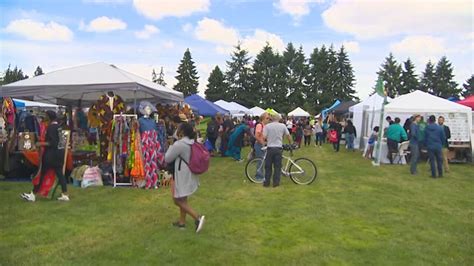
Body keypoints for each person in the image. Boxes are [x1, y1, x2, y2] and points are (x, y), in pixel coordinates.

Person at [164, 122, 205, 232]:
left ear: (181, 132)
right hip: (189, 172)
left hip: (181, 174)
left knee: (177, 200)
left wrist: (171, 145)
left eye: (178, 128)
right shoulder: (192, 142)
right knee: (183, 198)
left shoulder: (180, 144)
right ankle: (182, 222)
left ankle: (197, 217)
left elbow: (167, 158)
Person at [21, 110, 70, 202]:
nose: (44, 117)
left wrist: (40, 143)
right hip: (59, 154)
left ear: (49, 117)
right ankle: (65, 194)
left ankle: (33, 194)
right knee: (60, 175)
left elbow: (52, 143)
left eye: (46, 115)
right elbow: (62, 142)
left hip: (51, 155)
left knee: (41, 174)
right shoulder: (59, 127)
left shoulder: (51, 127)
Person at [262, 113, 292, 187]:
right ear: (279, 119)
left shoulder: (267, 126)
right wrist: (290, 144)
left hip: (270, 148)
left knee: (268, 166)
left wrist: (267, 140)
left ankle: (267, 182)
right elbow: (288, 136)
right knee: (277, 167)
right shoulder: (282, 126)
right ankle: (276, 183)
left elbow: (264, 137)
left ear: (272, 119)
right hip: (278, 148)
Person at [254, 112, 269, 181]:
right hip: (259, 145)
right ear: (263, 118)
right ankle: (258, 176)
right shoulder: (259, 125)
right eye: (267, 118)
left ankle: (262, 175)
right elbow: (257, 136)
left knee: (264, 160)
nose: (268, 119)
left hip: (263, 144)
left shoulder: (265, 126)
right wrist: (262, 143)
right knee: (260, 160)